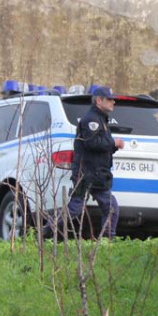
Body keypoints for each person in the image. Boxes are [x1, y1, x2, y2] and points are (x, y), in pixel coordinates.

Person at [62, 86, 124, 239]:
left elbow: (100, 148)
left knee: (111, 208)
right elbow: (92, 143)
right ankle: (44, 233)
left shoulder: (100, 119)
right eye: (109, 99)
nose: (113, 102)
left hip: (97, 174)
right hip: (86, 174)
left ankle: (106, 242)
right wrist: (112, 142)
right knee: (75, 209)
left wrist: (113, 146)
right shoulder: (91, 120)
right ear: (98, 101)